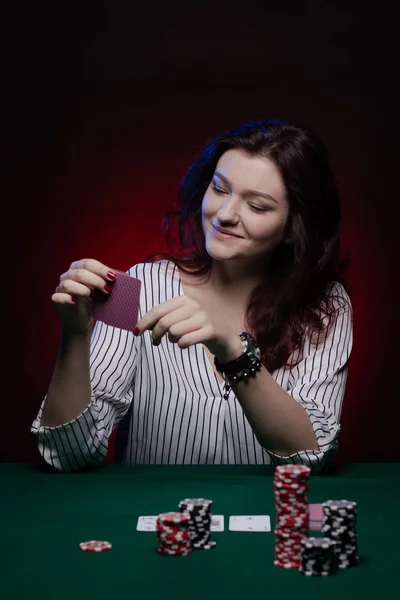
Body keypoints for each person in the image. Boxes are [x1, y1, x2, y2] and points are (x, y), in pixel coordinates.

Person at [31, 118, 353, 473]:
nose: (225, 214)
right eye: (219, 188)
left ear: (294, 228)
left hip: (263, 521)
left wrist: (234, 354)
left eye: (257, 206)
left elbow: (312, 455)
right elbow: (67, 453)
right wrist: (75, 335)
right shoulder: (134, 286)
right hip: (152, 521)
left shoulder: (326, 305)